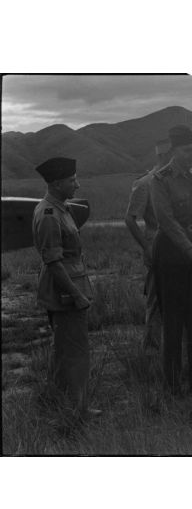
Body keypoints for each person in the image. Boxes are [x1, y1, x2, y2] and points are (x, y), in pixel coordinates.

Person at [151, 125, 192, 396]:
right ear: (175, 151)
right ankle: (173, 387)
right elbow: (168, 223)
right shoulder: (160, 179)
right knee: (174, 323)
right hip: (172, 255)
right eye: (189, 150)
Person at [32, 157, 100, 419]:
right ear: (58, 183)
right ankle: (76, 410)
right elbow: (53, 262)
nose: (78, 185)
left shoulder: (60, 208)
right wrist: (76, 294)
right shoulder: (49, 214)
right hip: (65, 293)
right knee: (74, 353)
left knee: (65, 351)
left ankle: (67, 405)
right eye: (72, 180)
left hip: (69, 288)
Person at [125, 139, 171, 354]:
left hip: (178, 246)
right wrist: (146, 247)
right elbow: (130, 219)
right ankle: (152, 352)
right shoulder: (145, 183)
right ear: (164, 155)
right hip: (157, 246)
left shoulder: (173, 181)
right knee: (157, 301)